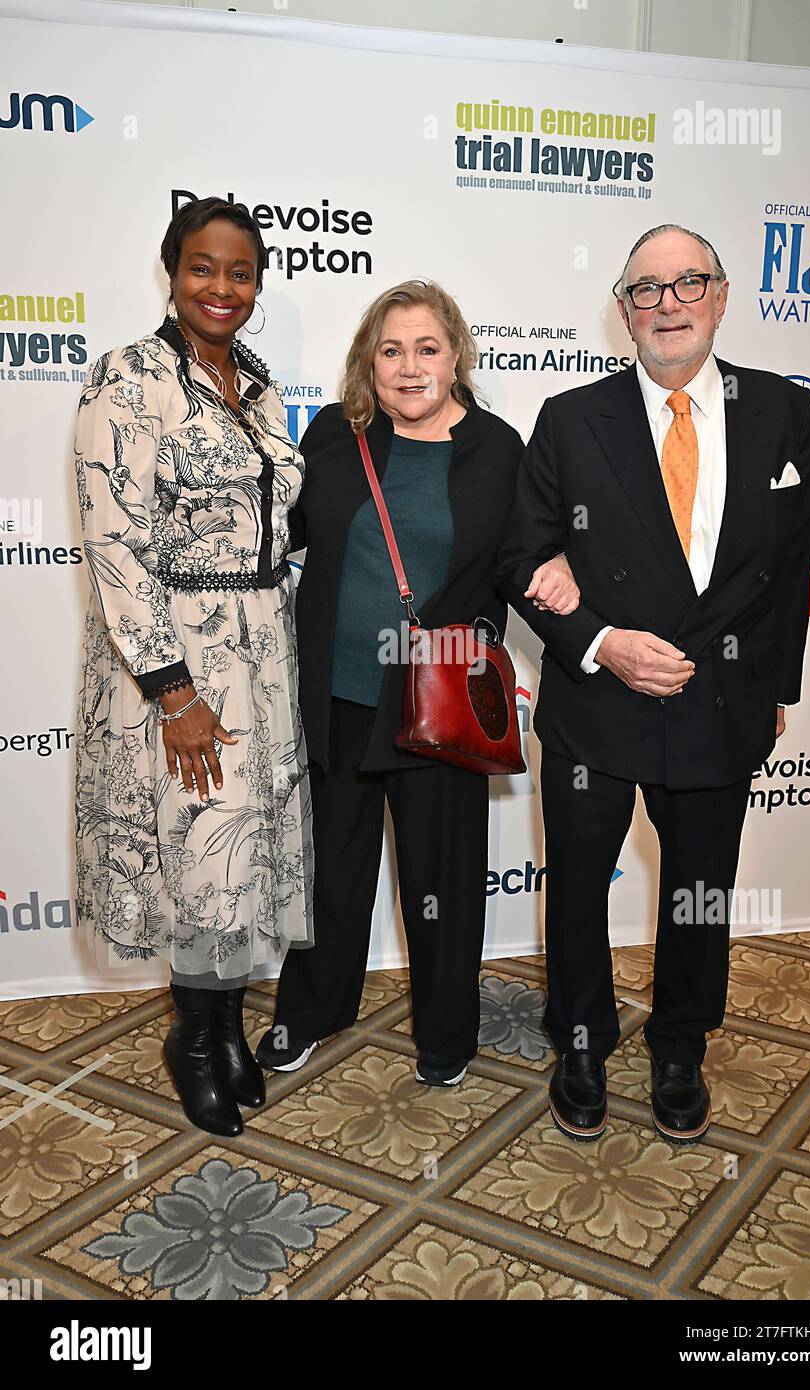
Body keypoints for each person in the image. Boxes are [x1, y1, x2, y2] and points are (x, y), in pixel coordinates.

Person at [496, 224, 810, 1143]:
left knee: (699, 890)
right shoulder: (568, 417)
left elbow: (790, 565)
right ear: (623, 311)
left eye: (688, 285)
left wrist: (778, 685)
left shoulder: (783, 413)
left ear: (720, 297)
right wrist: (600, 640)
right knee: (580, 888)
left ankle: (681, 1044)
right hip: (597, 705)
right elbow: (523, 556)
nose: (668, 304)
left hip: (723, 702)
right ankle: (584, 1042)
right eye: (647, 290)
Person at [256, 280, 577, 1086]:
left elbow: (521, 553)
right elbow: (284, 535)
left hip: (436, 705)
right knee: (332, 873)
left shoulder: (500, 450)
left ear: (457, 355)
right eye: (390, 350)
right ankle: (313, 1011)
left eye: (426, 348)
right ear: (370, 359)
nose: (408, 366)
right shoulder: (337, 431)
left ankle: (445, 1034)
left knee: (443, 881)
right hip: (339, 698)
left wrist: (561, 566)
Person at [74, 197, 313, 1138]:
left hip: (261, 651)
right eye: (203, 268)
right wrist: (173, 689)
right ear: (171, 272)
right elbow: (115, 544)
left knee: (236, 853)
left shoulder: (254, 383)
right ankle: (194, 1040)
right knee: (197, 848)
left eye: (242, 272)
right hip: (176, 663)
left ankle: (222, 1027)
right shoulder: (126, 382)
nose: (223, 288)